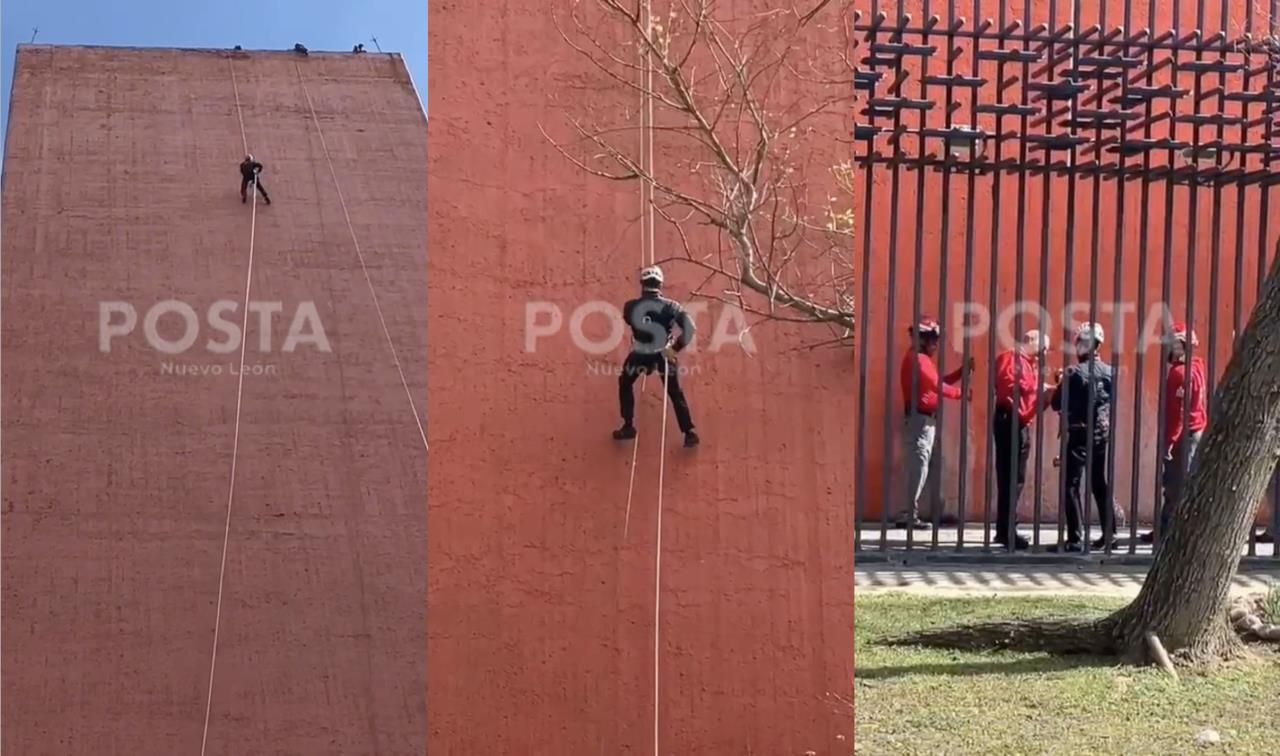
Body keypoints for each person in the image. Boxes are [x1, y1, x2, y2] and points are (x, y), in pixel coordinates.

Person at [897, 317, 973, 529]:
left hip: (924, 421)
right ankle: (909, 514)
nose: (935, 345)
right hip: (920, 421)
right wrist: (961, 394)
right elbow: (938, 386)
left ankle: (915, 512)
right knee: (918, 466)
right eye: (932, 340)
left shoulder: (920, 360)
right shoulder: (918, 359)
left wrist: (961, 373)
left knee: (922, 466)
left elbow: (937, 382)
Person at [613, 265, 699, 448]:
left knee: (625, 383)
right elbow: (690, 328)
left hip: (640, 353)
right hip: (664, 354)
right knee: (675, 393)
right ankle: (689, 433)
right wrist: (674, 348)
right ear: (660, 284)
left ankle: (628, 425)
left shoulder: (630, 306)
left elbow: (630, 320)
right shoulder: (672, 306)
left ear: (642, 283)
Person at [1051, 322, 1116, 551]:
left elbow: (1056, 403)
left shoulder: (1073, 373)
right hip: (1102, 434)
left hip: (1079, 433)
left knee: (1071, 485)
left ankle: (1075, 538)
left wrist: (1060, 383)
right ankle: (1111, 534)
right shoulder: (1110, 371)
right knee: (1099, 483)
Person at [991, 330, 1058, 550]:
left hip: (1018, 421)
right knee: (1012, 478)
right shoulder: (1011, 359)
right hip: (1011, 420)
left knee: (1013, 478)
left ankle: (1005, 528)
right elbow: (1009, 390)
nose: (1043, 354)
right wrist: (1039, 393)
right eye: (1041, 349)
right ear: (1030, 342)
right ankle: (1007, 530)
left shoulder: (1028, 363)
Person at [1142, 322, 1207, 545]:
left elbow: (1179, 413)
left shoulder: (1179, 373)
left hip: (1183, 437)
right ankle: (1165, 528)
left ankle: (1172, 533)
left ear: (1181, 346)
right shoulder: (1197, 366)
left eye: (1172, 344)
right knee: (1179, 484)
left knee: (1176, 485)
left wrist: (1169, 441)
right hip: (1194, 432)